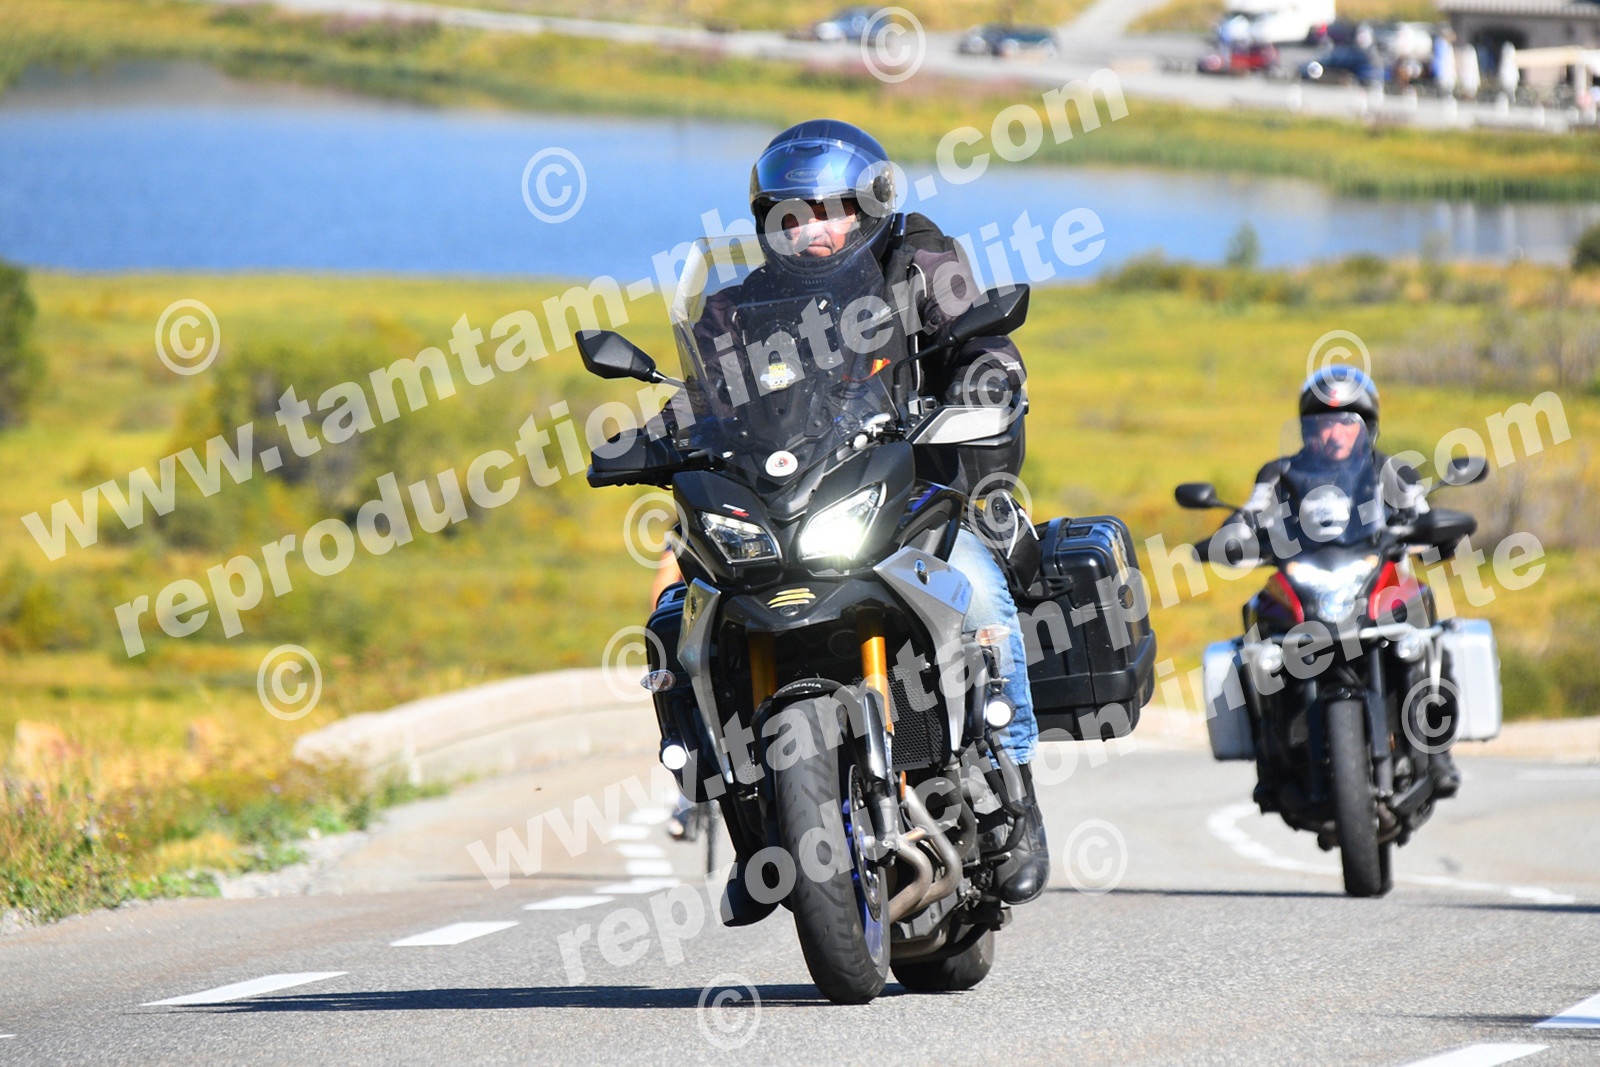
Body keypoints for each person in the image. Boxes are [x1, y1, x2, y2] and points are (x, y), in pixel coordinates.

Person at [648, 120, 1050, 920]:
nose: (808, 230)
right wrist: (655, 434)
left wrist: (987, 378)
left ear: (866, 206)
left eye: (826, 211)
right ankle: (747, 823)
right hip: (786, 509)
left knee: (976, 584)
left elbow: (984, 344)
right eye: (789, 215)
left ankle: (1013, 794)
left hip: (910, 495)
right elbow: (701, 397)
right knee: (679, 619)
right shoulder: (737, 307)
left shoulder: (919, 264)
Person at [1233, 366, 1460, 796]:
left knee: (1428, 628)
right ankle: (1270, 756)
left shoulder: (1393, 471)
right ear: (1305, 428)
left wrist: (1438, 534)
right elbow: (1249, 513)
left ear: (1366, 427)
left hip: (1376, 581)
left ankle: (1437, 753)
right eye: (1322, 422)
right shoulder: (1278, 473)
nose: (1333, 432)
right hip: (1305, 584)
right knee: (1253, 638)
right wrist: (1233, 536)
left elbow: (1422, 514)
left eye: (1345, 422)